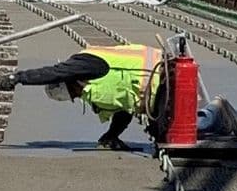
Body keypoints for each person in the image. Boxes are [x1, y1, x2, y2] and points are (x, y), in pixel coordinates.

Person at [15, 44, 166, 148]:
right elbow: (123, 107)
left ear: (70, 82)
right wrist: (111, 135)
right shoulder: (90, 86)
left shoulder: (85, 64)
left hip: (163, 77)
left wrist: (18, 78)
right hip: (159, 98)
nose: (79, 96)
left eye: (74, 93)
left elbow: (53, 73)